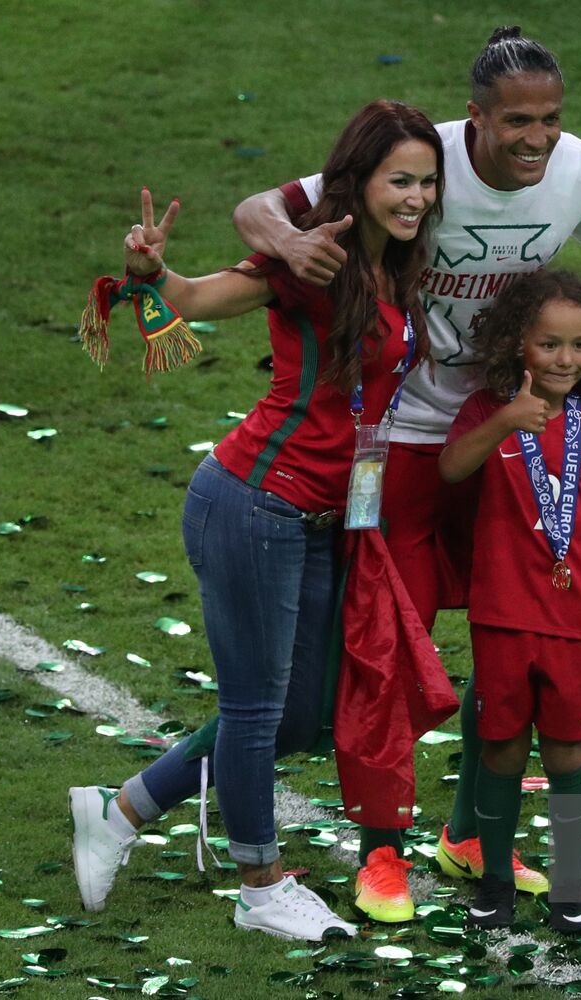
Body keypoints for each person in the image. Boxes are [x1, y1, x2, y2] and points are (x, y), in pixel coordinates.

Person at [231, 26, 581, 919]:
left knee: (514, 627)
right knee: (383, 641)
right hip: (391, 439)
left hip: (510, 438)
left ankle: (472, 833)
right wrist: (288, 248)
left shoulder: (577, 170)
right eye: (517, 120)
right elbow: (261, 205)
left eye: (550, 119)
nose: (536, 138)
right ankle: (380, 855)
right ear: (473, 118)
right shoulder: (419, 158)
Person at [68, 99, 445, 941]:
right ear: (360, 180)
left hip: (322, 520)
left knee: (302, 712)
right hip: (255, 504)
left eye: (426, 180)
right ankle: (260, 886)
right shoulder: (313, 261)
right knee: (254, 707)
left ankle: (120, 809)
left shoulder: (398, 267)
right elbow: (200, 298)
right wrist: (148, 274)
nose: (416, 195)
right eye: (399, 180)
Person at [438, 270, 581, 933]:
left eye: (578, 346)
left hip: (575, 618)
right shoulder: (486, 412)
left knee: (567, 754)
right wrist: (504, 419)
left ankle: (572, 886)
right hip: (502, 615)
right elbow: (450, 469)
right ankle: (495, 880)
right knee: (500, 748)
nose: (565, 360)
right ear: (516, 345)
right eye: (549, 344)